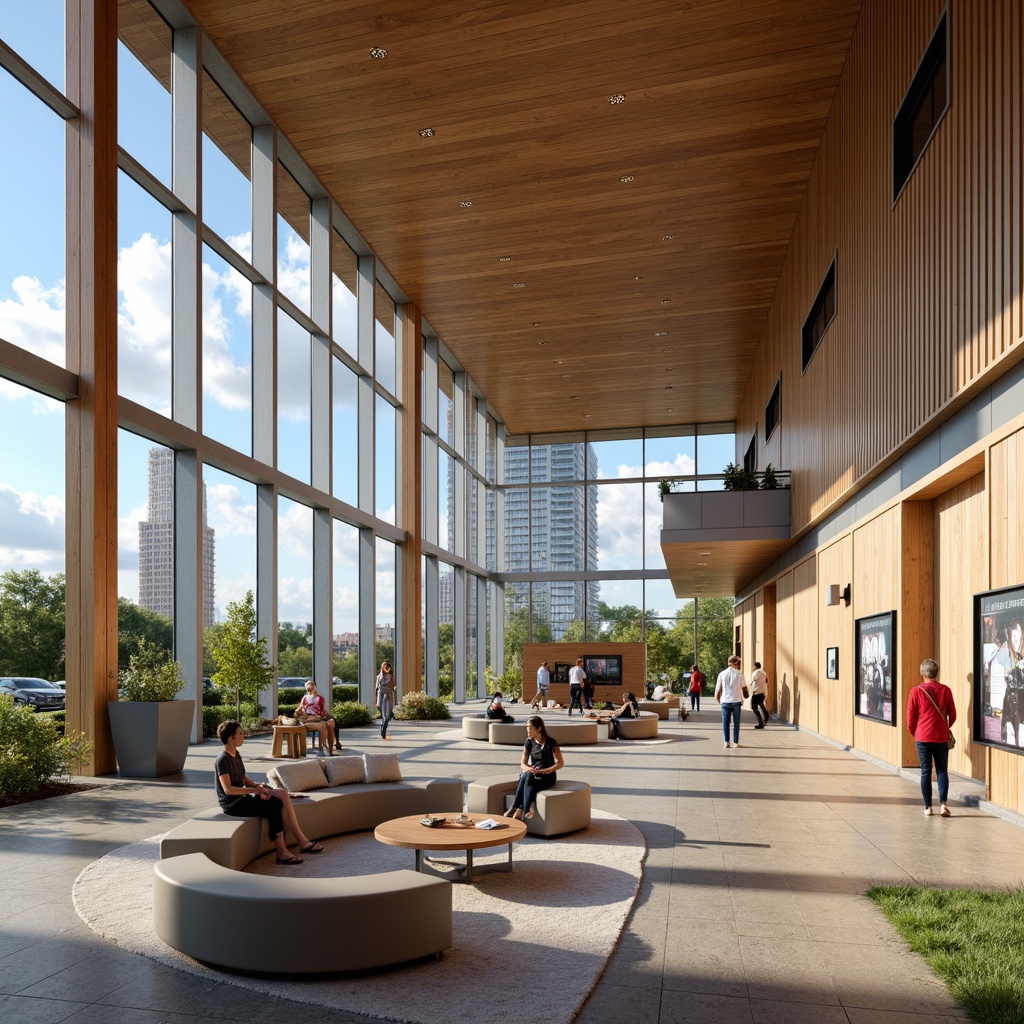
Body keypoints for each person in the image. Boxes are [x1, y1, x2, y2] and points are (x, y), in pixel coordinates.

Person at [214, 720, 322, 864]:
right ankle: (283, 852)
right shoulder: (223, 760)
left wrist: (257, 785)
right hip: (233, 804)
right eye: (240, 733)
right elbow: (228, 790)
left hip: (243, 797)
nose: (243, 736)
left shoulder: (236, 755)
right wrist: (255, 790)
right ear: (230, 738)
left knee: (281, 794)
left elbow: (242, 777)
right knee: (274, 805)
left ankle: (299, 842)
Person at [906, 659, 957, 817]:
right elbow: (953, 715)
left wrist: (916, 732)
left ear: (922, 674)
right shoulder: (946, 690)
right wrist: (944, 727)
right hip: (941, 736)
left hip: (922, 736)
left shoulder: (916, 691)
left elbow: (910, 718)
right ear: (937, 673)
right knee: (942, 770)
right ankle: (944, 805)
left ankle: (928, 807)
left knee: (925, 771)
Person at [504, 716, 564, 820]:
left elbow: (560, 763)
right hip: (534, 775)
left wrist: (547, 770)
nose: (528, 730)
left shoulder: (551, 743)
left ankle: (517, 807)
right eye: (527, 727)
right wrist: (528, 768)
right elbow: (522, 763)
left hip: (547, 776)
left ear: (539, 728)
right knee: (527, 776)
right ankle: (526, 810)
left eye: (530, 727)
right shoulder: (529, 742)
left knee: (525, 778)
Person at [298, 679, 340, 754]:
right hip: (309, 717)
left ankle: (330, 749)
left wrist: (323, 715)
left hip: (317, 717)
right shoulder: (305, 698)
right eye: (310, 687)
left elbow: (323, 711)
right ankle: (327, 746)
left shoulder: (320, 698)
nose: (312, 688)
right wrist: (302, 712)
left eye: (313, 686)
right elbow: (300, 708)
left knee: (332, 722)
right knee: (330, 721)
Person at [715, 655, 747, 748]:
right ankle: (735, 742)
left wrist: (719, 701)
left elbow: (718, 689)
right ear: (735, 663)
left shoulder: (722, 673)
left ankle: (726, 742)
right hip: (736, 701)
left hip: (725, 701)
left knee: (725, 723)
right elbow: (744, 686)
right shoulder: (739, 673)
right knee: (736, 723)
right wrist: (743, 698)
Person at [374, 660, 397, 740]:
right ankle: (383, 729)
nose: (387, 668)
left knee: (387, 716)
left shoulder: (391, 677)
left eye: (388, 667)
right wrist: (375, 699)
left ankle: (384, 728)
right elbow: (376, 688)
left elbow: (392, 687)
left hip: (389, 696)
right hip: (381, 696)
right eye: (385, 667)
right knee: (384, 715)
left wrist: (393, 680)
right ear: (383, 668)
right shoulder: (379, 677)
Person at [750, 662, 769, 728]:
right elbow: (767, 681)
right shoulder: (764, 673)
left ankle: (760, 723)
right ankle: (766, 715)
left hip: (756, 692)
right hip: (763, 692)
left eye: (753, 666)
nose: (752, 668)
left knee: (754, 707)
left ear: (755, 666)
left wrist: (751, 689)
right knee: (761, 704)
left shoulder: (755, 673)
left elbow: (752, 682)